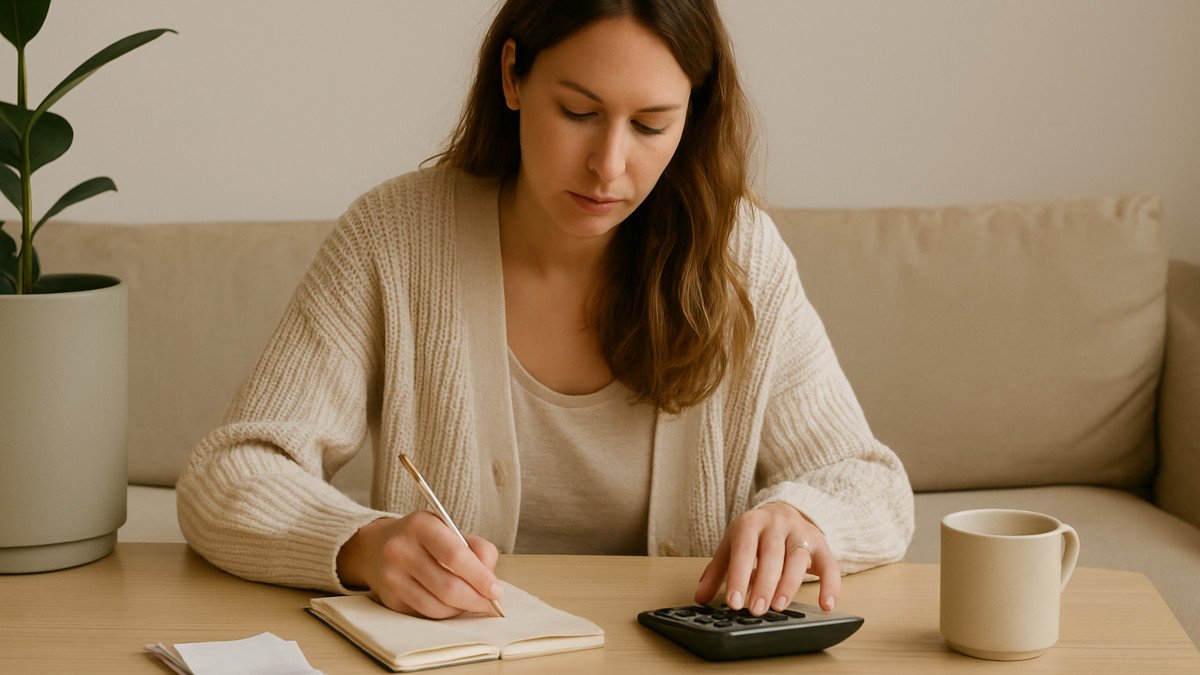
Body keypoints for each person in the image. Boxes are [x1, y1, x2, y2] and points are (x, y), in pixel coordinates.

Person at [177, 0, 914, 622]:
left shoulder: (738, 256)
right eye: (579, 111)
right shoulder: (394, 240)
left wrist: (802, 516)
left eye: (652, 125)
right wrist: (362, 543)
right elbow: (230, 473)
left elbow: (870, 481)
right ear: (513, 76)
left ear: (693, 115)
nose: (609, 165)